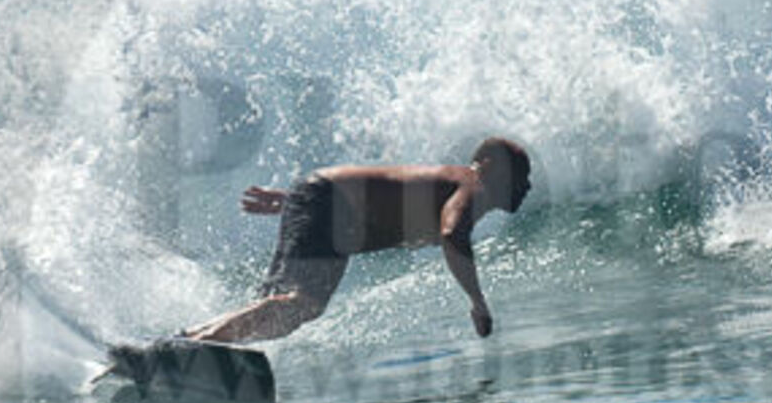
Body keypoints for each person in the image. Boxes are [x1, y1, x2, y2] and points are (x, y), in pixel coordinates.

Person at [185, 137, 532, 344]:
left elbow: (385, 191)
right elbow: (451, 232)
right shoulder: (473, 184)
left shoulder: (451, 184)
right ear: (489, 165)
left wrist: (294, 201)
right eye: (521, 173)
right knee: (302, 304)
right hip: (329, 205)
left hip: (324, 203)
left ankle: (195, 338)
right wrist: (477, 302)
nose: (527, 184)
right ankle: (200, 343)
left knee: (284, 311)